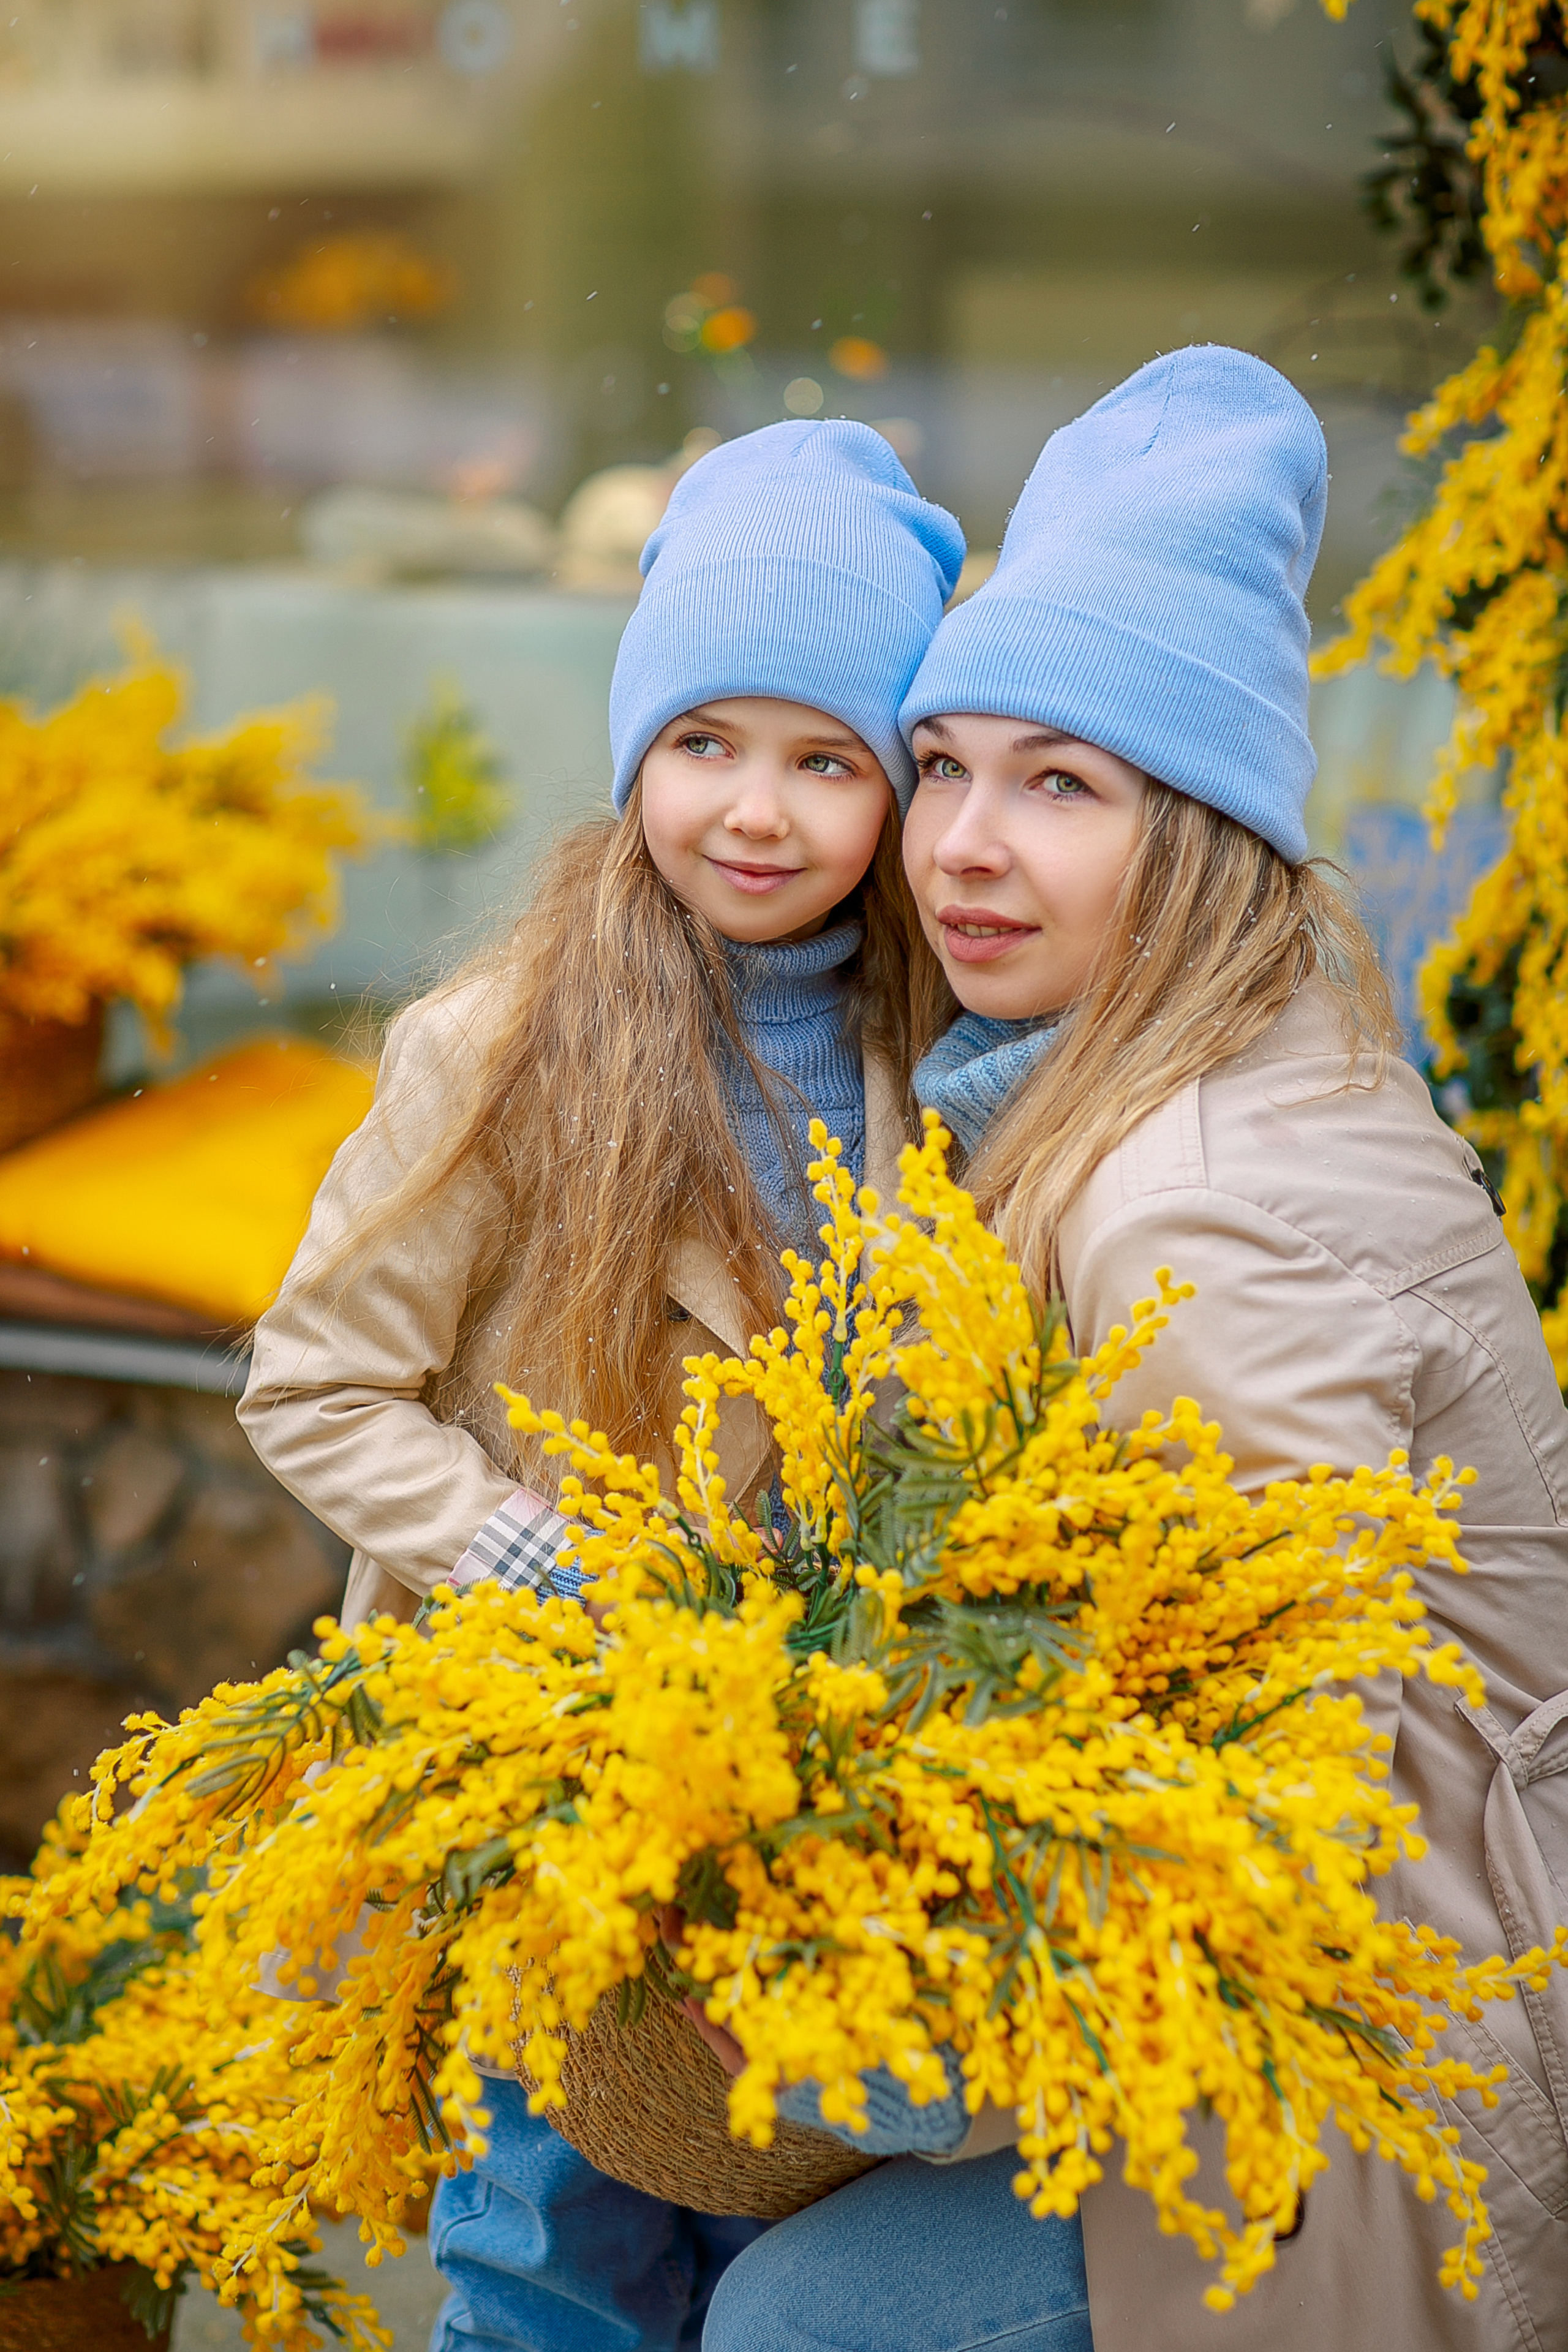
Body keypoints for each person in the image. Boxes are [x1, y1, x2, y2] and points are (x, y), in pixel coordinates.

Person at [699, 350, 1568, 2352]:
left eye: (1061, 785)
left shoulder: (1194, 1203)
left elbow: (1254, 1794)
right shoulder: (1197, 1048)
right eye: (947, 766)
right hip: (1360, 1976)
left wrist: (857, 2018)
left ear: (1193, 829)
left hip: (1389, 2079)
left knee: (800, 2321)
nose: (961, 848)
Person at [238, 417, 965, 2352]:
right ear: (634, 748)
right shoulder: (506, 1046)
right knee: (550, 2237)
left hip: (803, 1776)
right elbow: (313, 1384)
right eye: (705, 744)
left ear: (901, 792)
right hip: (546, 1755)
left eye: (831, 761)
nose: (758, 808)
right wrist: (506, 1548)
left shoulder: (943, 1051)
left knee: (768, 2218)